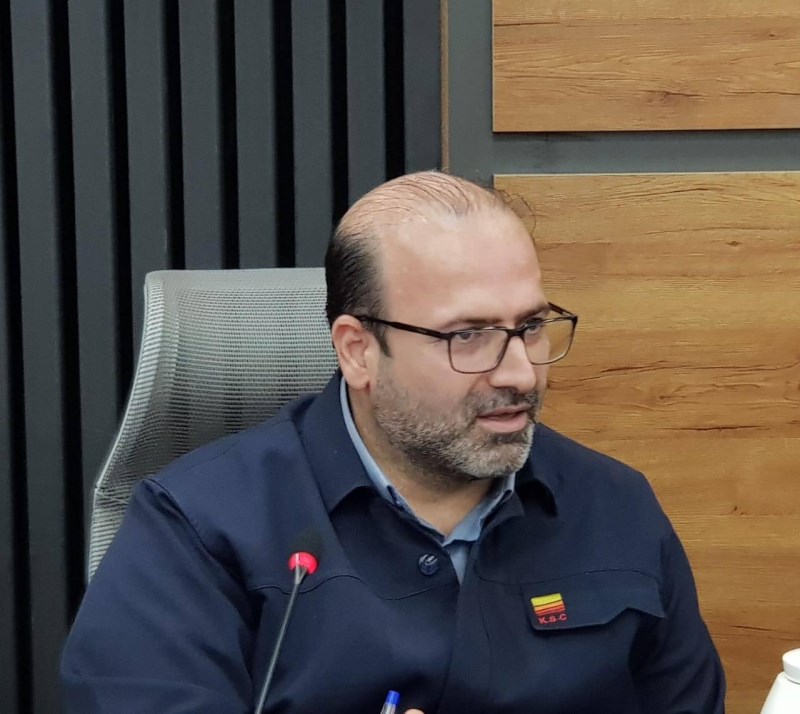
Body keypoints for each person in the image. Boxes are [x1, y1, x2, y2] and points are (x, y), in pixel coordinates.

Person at [61, 171, 725, 713]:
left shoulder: (616, 508)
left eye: (530, 327)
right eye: (468, 336)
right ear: (358, 351)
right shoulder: (197, 529)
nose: (520, 373)